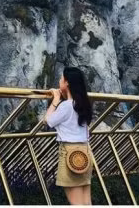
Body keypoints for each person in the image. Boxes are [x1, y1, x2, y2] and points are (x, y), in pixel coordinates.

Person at [45, 66, 93, 205]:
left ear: (67, 83)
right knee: (86, 202)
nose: (59, 81)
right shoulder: (84, 104)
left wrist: (55, 100)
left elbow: (48, 121)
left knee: (77, 204)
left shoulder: (66, 106)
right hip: (84, 152)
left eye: (61, 78)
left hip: (69, 154)